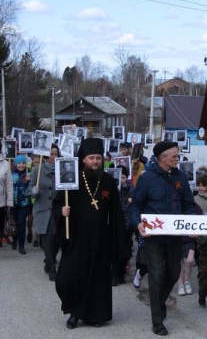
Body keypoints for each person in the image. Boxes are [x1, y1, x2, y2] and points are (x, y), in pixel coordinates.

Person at [53, 138, 130, 329]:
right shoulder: (73, 179)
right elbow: (57, 203)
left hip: (100, 238)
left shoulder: (108, 181)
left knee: (97, 277)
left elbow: (116, 213)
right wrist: (62, 211)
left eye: (98, 158)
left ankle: (95, 315)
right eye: (91, 158)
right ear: (83, 160)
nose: (95, 162)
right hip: (77, 237)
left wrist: (119, 241)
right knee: (70, 276)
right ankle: (74, 312)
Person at [129, 141, 202, 336]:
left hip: (175, 237)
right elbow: (135, 206)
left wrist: (192, 224)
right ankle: (158, 320)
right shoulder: (146, 179)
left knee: (172, 274)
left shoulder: (181, 177)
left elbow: (188, 204)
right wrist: (138, 224)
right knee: (157, 274)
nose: (178, 159)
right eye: (175, 156)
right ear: (163, 158)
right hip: (153, 237)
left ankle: (158, 303)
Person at [28, 145, 60, 280]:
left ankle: (49, 260)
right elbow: (29, 189)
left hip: (58, 210)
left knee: (56, 240)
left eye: (56, 154)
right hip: (43, 210)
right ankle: (52, 268)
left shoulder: (63, 169)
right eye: (51, 154)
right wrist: (33, 192)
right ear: (46, 156)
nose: (54, 157)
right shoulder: (37, 170)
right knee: (47, 240)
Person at [11, 155, 32, 254]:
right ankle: (14, 239)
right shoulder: (11, 175)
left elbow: (31, 189)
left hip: (24, 203)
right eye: (19, 163)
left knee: (21, 223)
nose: (21, 165)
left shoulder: (29, 174)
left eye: (23, 163)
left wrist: (28, 182)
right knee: (14, 222)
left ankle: (21, 245)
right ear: (16, 164)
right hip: (13, 203)